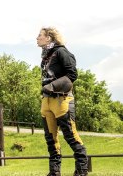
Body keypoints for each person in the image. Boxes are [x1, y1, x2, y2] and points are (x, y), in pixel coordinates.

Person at [37, 27, 88, 176]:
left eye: (39, 35)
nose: (37, 38)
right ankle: (54, 172)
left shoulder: (62, 52)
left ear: (49, 38)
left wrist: (52, 86)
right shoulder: (46, 55)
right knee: (51, 139)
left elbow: (72, 74)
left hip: (62, 100)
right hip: (46, 101)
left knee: (70, 136)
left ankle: (81, 170)